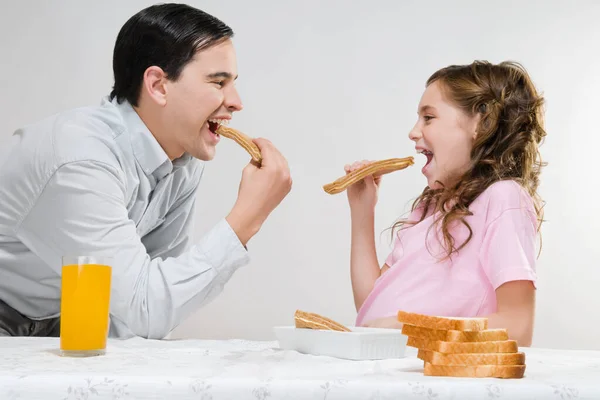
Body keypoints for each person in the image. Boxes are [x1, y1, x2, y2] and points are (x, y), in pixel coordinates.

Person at [0, 3, 291, 339]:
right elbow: (146, 309)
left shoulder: (182, 160)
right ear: (158, 85)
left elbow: (152, 297)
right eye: (218, 82)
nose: (236, 101)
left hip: (69, 316)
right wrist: (247, 217)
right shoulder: (80, 159)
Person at [345, 60, 546, 346]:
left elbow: (517, 326)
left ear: (480, 122)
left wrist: (413, 327)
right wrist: (362, 211)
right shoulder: (427, 209)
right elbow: (371, 308)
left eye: (428, 118)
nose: (413, 132)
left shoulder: (503, 198)